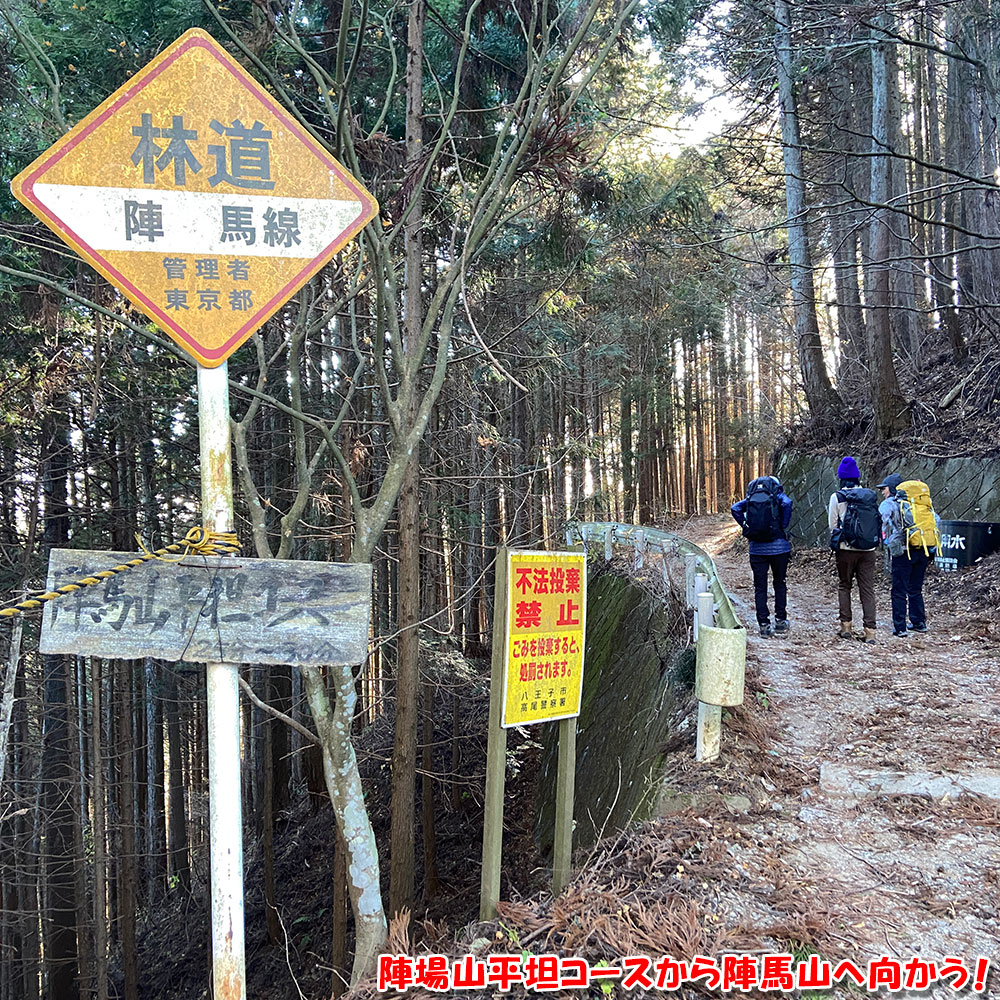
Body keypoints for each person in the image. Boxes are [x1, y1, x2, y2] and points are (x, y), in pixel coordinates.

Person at [877, 473, 939, 637]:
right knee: (915, 588)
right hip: (923, 548)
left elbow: (884, 521)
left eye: (883, 489)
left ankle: (900, 627)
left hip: (903, 551)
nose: (882, 492)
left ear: (891, 489)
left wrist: (888, 540)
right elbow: (936, 521)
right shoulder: (921, 503)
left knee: (898, 590)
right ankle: (919, 622)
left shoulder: (890, 504)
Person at [731, 476, 794, 636]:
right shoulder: (778, 497)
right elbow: (787, 504)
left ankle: (764, 625)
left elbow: (735, 508)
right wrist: (783, 525)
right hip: (779, 548)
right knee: (779, 583)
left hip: (756, 549)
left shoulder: (751, 498)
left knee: (760, 587)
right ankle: (780, 621)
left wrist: (746, 525)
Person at [828, 456, 878, 643]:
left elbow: (833, 525)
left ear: (841, 477)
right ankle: (870, 630)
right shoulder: (869, 495)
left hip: (845, 549)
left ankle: (846, 626)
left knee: (844, 585)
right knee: (867, 589)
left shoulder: (838, 496)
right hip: (868, 549)